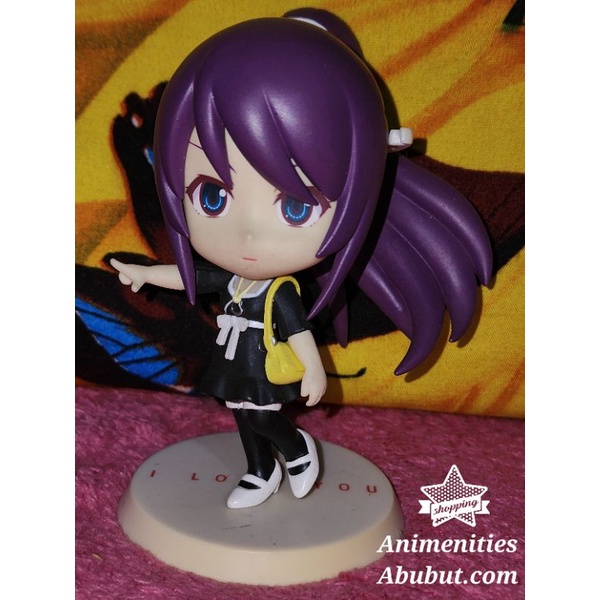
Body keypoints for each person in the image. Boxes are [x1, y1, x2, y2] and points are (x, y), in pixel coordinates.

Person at [111, 8, 492, 509]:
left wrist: (314, 371)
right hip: (236, 361)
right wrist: (143, 272)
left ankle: (295, 450)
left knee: (262, 415)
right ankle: (259, 472)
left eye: (295, 206)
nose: (248, 233)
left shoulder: (281, 290)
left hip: (264, 366)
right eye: (212, 196)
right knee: (242, 414)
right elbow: (191, 277)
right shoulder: (232, 279)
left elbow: (298, 332)